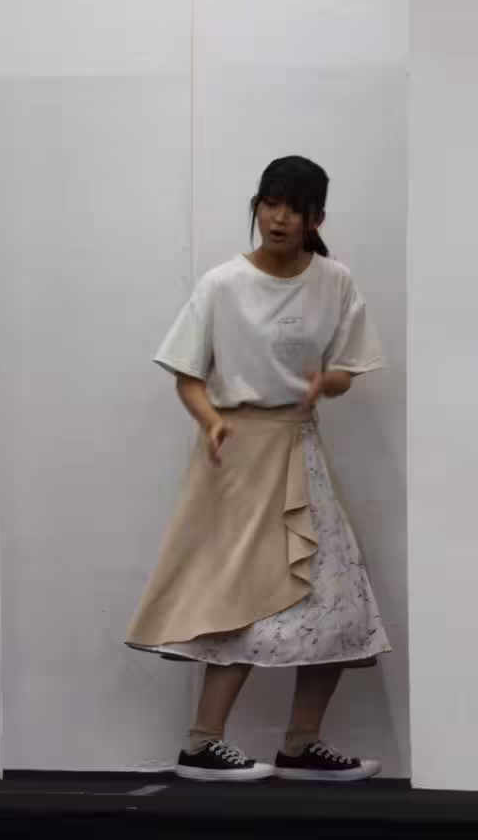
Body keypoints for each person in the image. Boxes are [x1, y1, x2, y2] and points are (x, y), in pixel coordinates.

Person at [126, 156, 389, 784]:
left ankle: (301, 743)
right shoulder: (222, 284)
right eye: (270, 203)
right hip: (237, 453)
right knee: (240, 596)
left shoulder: (335, 281)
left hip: (301, 449)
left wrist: (327, 382)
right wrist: (211, 422)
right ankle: (202, 743)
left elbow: (347, 371)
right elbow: (187, 374)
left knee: (337, 601)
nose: (279, 218)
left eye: (294, 208)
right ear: (257, 206)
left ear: (316, 218)